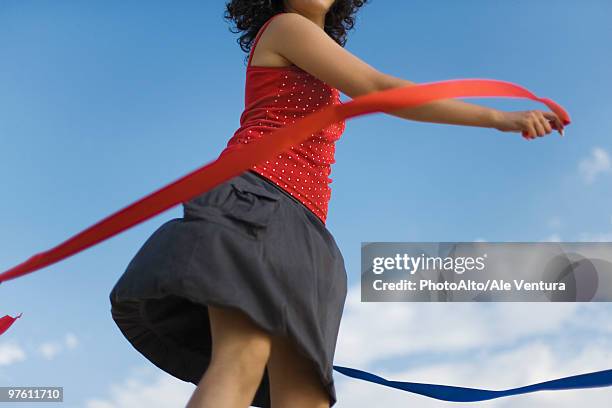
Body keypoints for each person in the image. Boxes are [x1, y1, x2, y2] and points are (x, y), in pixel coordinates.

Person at [109, 1, 566, 408]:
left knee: (305, 396)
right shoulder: (286, 26)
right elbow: (377, 85)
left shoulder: (314, 45)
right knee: (242, 358)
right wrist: (499, 118)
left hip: (305, 226)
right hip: (257, 197)